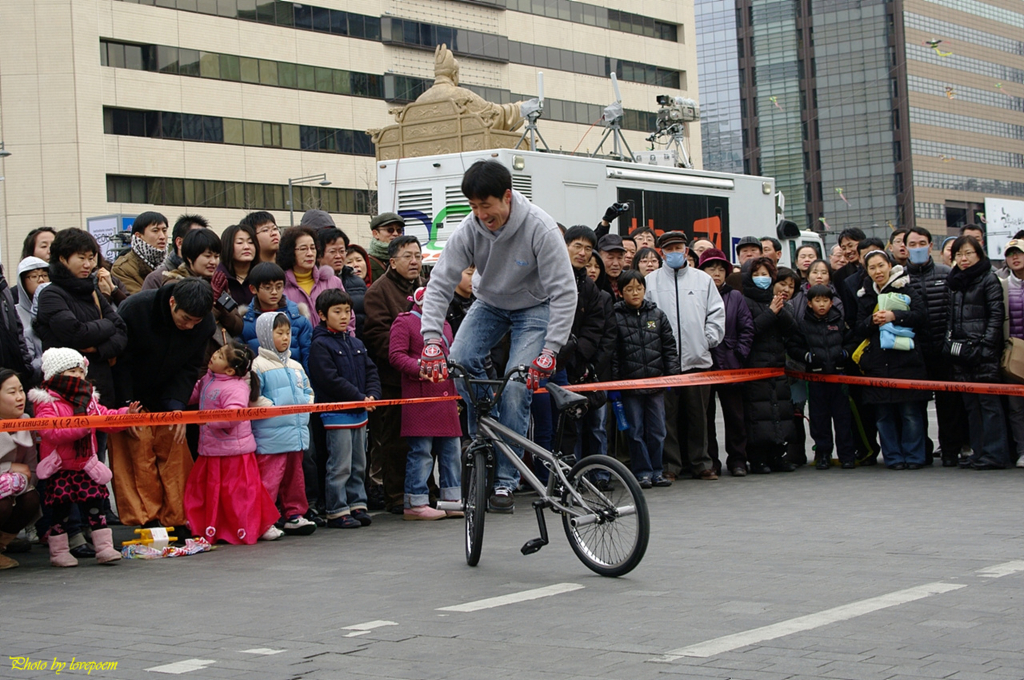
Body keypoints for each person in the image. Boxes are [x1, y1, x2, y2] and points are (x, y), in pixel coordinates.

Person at [417, 160, 576, 514]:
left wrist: (551, 349)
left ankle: (506, 482)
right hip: (488, 303)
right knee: (457, 361)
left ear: (507, 197)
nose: (481, 215)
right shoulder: (469, 229)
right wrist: (431, 340)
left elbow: (565, 292)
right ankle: (485, 425)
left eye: (486, 206)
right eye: (473, 207)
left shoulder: (540, 228)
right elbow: (440, 282)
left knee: (518, 384)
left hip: (535, 307)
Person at [108, 278, 215, 528]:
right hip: (130, 390)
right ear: (172, 302)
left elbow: (190, 367)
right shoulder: (136, 309)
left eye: (195, 322)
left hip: (169, 392)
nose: (189, 326)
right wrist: (126, 406)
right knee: (137, 454)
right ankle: (147, 518)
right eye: (185, 318)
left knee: (175, 450)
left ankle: (177, 517)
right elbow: (120, 363)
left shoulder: (205, 324)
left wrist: (177, 406)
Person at [30, 348, 141, 566]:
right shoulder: (46, 401)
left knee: (96, 506)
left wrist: (124, 416)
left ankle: (104, 548)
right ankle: (59, 552)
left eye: (80, 371)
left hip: (85, 464)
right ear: (56, 374)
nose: (78, 376)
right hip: (60, 466)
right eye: (72, 371)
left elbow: (103, 417)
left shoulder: (88, 398)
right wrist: (82, 427)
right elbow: (50, 432)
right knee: (60, 513)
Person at [645, 231, 725, 480]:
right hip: (665, 363)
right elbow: (646, 317)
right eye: (669, 249)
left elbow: (716, 313)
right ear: (661, 252)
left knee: (698, 416)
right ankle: (671, 465)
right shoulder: (651, 281)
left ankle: (701, 463)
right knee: (667, 418)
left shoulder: (703, 280)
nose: (674, 252)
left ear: (687, 251)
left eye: (678, 247)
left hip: (697, 361)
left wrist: (706, 340)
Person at [184, 342, 281, 544]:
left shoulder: (237, 388)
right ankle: (213, 525)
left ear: (229, 369)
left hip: (234, 451)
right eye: (217, 352)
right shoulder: (208, 379)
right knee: (210, 491)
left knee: (238, 493)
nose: (214, 356)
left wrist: (207, 420)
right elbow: (194, 396)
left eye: (219, 356)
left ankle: (252, 525)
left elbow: (233, 416)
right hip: (211, 448)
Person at [308, 290, 380, 529]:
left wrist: (373, 395)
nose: (344, 316)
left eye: (347, 311)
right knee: (340, 465)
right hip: (336, 415)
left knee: (359, 463)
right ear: (322, 315)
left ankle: (357, 503)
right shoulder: (319, 344)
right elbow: (329, 379)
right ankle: (337, 509)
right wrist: (360, 397)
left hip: (360, 412)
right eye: (337, 311)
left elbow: (371, 371)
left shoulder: (356, 342)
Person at [389, 287, 462, 520]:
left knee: (451, 450)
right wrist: (421, 368)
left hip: (446, 395)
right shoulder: (405, 321)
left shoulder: (446, 325)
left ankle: (452, 499)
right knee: (421, 450)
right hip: (420, 395)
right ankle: (415, 501)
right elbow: (396, 355)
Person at [852, 251, 929, 470]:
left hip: (906, 360)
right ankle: (893, 457)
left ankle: (914, 456)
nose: (877, 271)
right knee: (883, 415)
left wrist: (895, 316)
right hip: (877, 362)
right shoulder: (865, 294)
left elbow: (921, 316)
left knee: (910, 413)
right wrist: (871, 321)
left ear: (889, 265)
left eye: (881, 266)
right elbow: (858, 328)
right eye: (872, 268)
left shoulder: (905, 288)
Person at [35, 229, 127, 410]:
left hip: (102, 391)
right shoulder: (50, 294)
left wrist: (98, 348)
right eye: (81, 258)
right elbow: (77, 334)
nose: (88, 264)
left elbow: (122, 330)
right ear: (62, 259)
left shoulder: (93, 292)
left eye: (91, 258)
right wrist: (107, 326)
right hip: (66, 395)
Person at [249, 313, 316, 536]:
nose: (285, 338)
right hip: (271, 436)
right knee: (269, 479)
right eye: (279, 333)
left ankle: (295, 515)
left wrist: (306, 404)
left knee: (295, 478)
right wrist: (276, 408)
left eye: (288, 333)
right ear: (265, 335)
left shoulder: (296, 365)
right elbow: (254, 396)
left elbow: (308, 390)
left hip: (295, 433)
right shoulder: (257, 366)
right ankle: (263, 519)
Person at [611, 270, 680, 488]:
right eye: (629, 289)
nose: (635, 293)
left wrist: (672, 377)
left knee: (658, 430)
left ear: (644, 289)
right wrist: (614, 384)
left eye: (638, 288)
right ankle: (642, 472)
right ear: (621, 293)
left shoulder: (657, 315)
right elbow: (612, 353)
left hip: (656, 385)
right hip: (630, 387)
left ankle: (658, 471)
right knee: (635, 431)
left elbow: (669, 348)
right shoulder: (615, 316)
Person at [946, 236, 1009, 469]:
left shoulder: (988, 279)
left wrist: (985, 347)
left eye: (968, 253)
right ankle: (979, 451)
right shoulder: (954, 282)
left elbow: (996, 316)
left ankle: (995, 453)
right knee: (971, 405)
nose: (963, 258)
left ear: (979, 255)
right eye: (959, 254)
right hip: (961, 352)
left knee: (989, 404)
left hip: (983, 352)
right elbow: (950, 319)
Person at [905, 226, 959, 466]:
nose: (918, 248)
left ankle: (950, 451)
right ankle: (921, 453)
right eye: (913, 244)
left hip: (943, 350)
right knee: (916, 407)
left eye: (922, 243)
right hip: (914, 353)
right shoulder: (899, 278)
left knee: (948, 406)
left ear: (931, 246)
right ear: (904, 248)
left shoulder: (947, 274)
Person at [698, 248, 753, 477]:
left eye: (721, 269)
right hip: (703, 364)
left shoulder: (735, 296)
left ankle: (738, 460)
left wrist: (738, 353)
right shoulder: (696, 294)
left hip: (730, 365)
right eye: (711, 268)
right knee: (706, 417)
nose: (717, 273)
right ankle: (711, 461)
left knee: (734, 416)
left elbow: (747, 328)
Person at [787, 285, 856, 469]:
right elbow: (794, 347)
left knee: (843, 418)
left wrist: (845, 354)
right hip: (815, 378)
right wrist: (807, 357)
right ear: (809, 303)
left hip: (839, 377)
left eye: (825, 300)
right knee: (819, 419)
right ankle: (823, 453)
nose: (822, 304)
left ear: (831, 302)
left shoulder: (839, 322)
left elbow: (852, 341)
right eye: (817, 301)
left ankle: (847, 455)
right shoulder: (803, 324)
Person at [741, 257, 797, 473]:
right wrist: (770, 313)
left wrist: (778, 309)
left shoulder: (778, 300)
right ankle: (758, 458)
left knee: (779, 412)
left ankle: (777, 456)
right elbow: (749, 331)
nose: (762, 279)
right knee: (758, 415)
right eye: (757, 274)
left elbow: (792, 330)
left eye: (766, 275)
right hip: (755, 367)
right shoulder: (744, 301)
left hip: (777, 366)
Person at [0, 369, 40, 570]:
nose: (19, 397)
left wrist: (17, 483)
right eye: (11, 392)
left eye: (21, 391)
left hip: (15, 487)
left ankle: (1, 547)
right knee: (2, 504)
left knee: (31, 498)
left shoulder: (25, 422)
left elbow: (31, 470)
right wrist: (8, 468)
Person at [241, 262, 313, 371]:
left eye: (279, 287)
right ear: (253, 289)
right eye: (268, 287)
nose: (274, 292)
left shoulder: (298, 319)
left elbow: (308, 358)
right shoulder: (245, 322)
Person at [278, 226, 345, 328]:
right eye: (303, 249)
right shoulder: (281, 287)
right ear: (291, 252)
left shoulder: (333, 282)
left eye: (313, 248)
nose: (310, 253)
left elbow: (349, 318)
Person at [1000, 239, 1024, 468]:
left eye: (1019, 253)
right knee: (1015, 406)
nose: (1015, 258)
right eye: (1011, 254)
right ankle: (1022, 449)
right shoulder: (1003, 285)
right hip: (1014, 352)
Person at [317, 227, 367, 337]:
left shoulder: (357, 282)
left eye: (342, 251)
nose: (339, 256)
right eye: (333, 251)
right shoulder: (315, 283)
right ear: (319, 255)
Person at [142, 214, 210, 291]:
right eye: (197, 240)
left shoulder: (213, 277)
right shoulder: (156, 279)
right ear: (179, 242)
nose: (203, 245)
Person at [112, 211, 169, 294]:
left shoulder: (173, 263)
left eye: (164, 231)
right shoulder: (122, 268)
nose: (162, 236)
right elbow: (139, 302)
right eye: (155, 230)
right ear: (139, 236)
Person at [15, 256, 49, 372]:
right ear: (22, 281)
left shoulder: (59, 307)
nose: (41, 280)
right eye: (34, 276)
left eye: (45, 275)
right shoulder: (15, 313)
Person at [213, 223, 259, 308]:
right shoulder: (218, 278)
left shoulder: (262, 275)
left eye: (250, 242)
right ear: (228, 246)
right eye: (240, 242)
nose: (246, 247)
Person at [367, 213, 406, 282]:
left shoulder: (410, 259)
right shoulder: (367, 263)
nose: (395, 234)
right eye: (390, 230)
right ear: (376, 234)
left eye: (399, 230)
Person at [598, 234, 628, 299]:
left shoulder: (628, 280)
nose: (616, 263)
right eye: (610, 257)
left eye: (619, 258)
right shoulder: (594, 282)